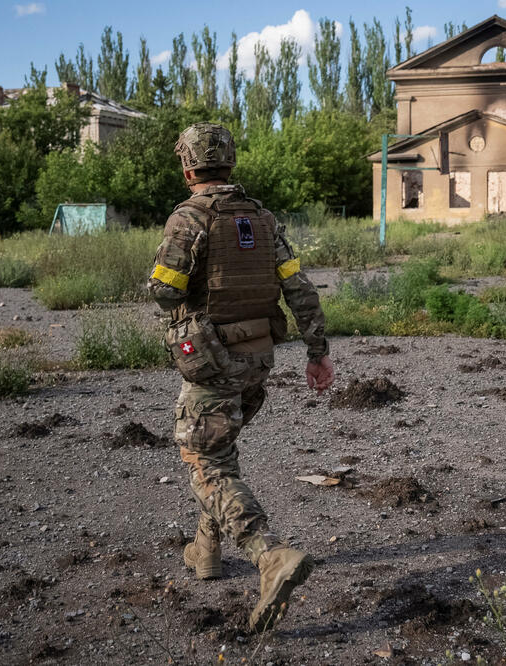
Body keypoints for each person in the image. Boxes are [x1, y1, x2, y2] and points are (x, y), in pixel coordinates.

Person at [147, 122, 335, 632]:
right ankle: (205, 551)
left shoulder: (188, 218)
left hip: (210, 360)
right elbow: (298, 288)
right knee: (219, 447)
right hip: (258, 359)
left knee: (203, 458)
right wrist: (316, 352)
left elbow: (164, 293)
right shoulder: (263, 218)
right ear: (230, 164)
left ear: (188, 168)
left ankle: (268, 553)